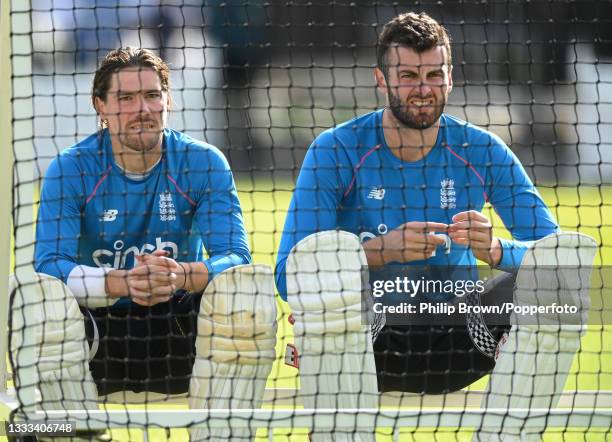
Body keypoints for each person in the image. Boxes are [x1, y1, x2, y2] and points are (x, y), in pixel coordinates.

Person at [275, 12, 595, 441]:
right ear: (381, 79)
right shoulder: (335, 150)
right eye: (407, 75)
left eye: (433, 74)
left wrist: (497, 250)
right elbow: (287, 273)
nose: (422, 89)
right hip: (369, 340)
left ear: (450, 77)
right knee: (324, 277)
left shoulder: (481, 150)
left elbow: (557, 254)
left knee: (559, 291)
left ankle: (508, 434)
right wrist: (380, 251)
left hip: (461, 336)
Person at [29, 48, 276, 427]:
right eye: (126, 98)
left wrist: (179, 276)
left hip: (177, 326)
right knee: (34, 300)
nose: (141, 108)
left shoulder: (203, 162)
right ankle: (66, 433)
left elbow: (236, 257)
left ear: (167, 100)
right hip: (97, 331)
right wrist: (123, 282)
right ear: (101, 106)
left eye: (151, 95)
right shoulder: (71, 168)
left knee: (250, 289)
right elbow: (49, 267)